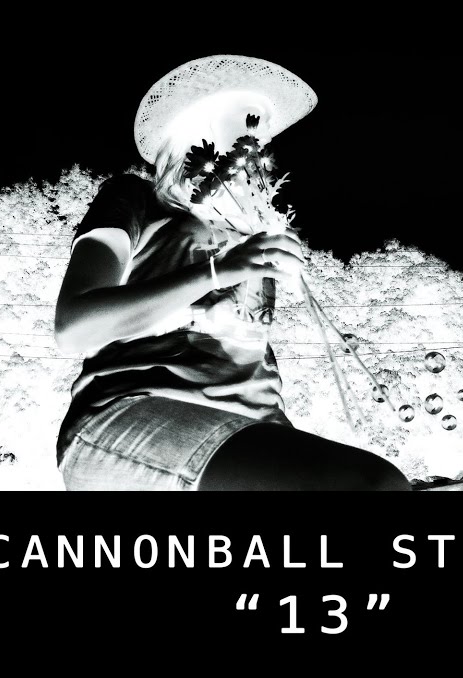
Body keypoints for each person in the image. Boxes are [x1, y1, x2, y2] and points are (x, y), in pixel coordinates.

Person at [53, 55, 410, 491]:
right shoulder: (136, 199)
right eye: (251, 118)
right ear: (196, 121)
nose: (262, 134)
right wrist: (217, 271)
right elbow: (74, 328)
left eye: (265, 125)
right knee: (371, 482)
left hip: (247, 430)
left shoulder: (252, 229)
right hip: (130, 418)